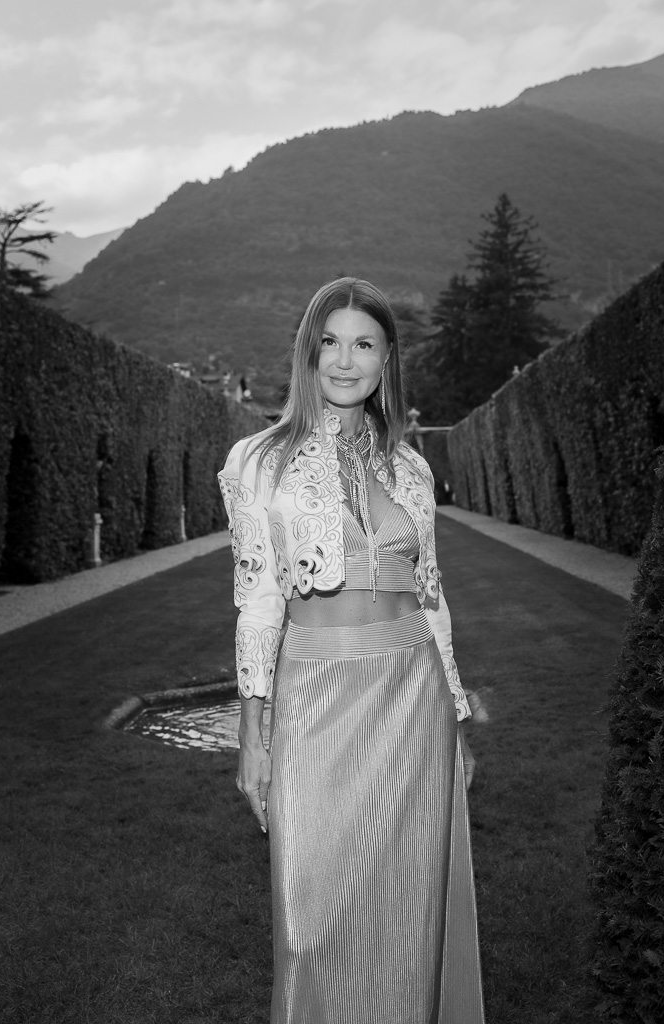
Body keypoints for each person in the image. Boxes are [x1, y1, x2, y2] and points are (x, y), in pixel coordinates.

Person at [218, 277, 484, 1024]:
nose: (344, 360)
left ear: (385, 358)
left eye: (363, 344)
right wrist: (252, 736)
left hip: (414, 693)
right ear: (307, 353)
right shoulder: (257, 461)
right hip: (315, 692)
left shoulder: (411, 466)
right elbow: (257, 600)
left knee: (408, 906)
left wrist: (457, 717)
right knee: (311, 922)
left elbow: (432, 597)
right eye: (329, 342)